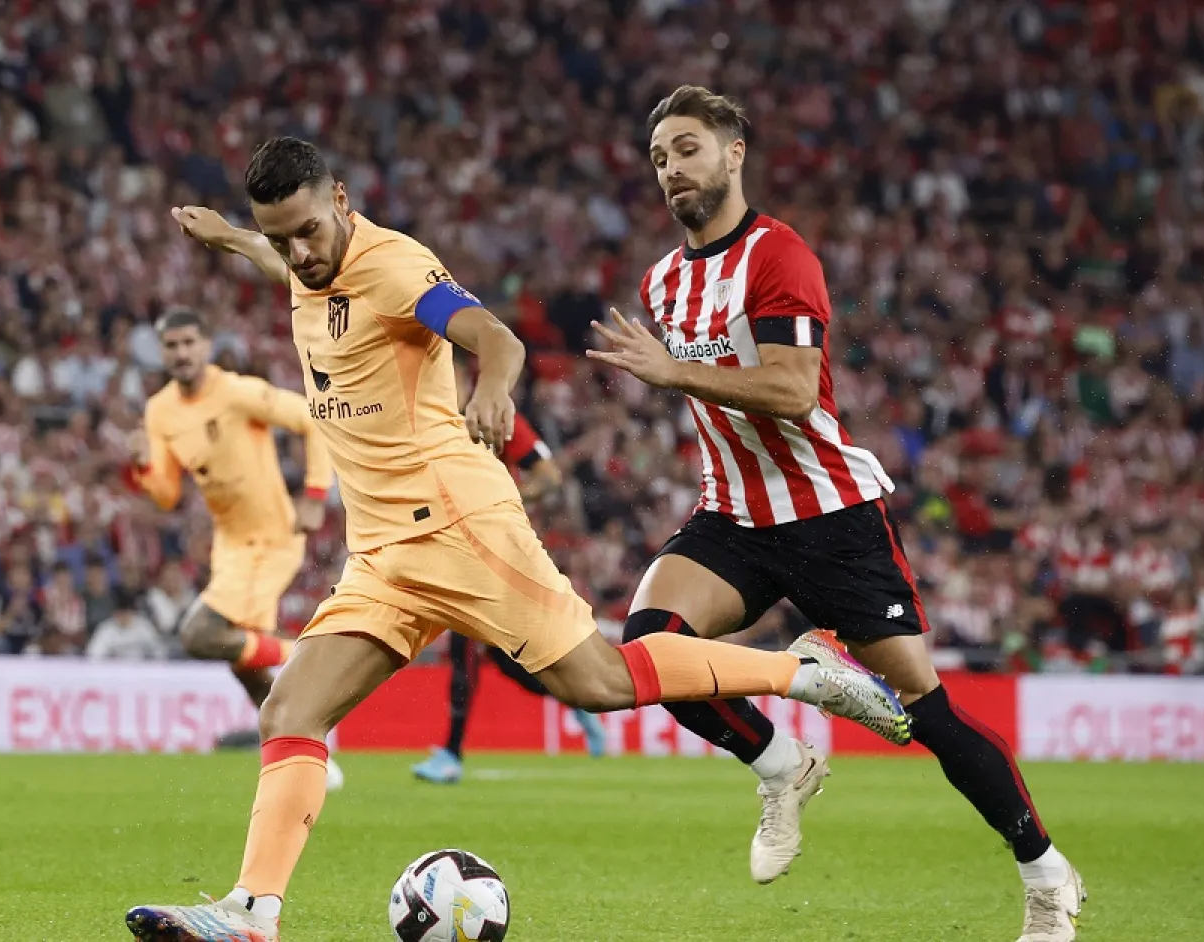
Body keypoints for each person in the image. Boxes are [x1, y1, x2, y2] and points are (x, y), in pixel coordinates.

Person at [124, 136, 907, 942]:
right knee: (290, 707)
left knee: (599, 682)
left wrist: (494, 387)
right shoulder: (300, 259)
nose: (298, 252)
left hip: (457, 524)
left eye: (308, 232)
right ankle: (252, 916)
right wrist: (231, 236)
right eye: (280, 236)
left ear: (343, 202)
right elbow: (280, 260)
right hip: (383, 554)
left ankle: (800, 672)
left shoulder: (396, 268)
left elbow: (496, 337)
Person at [586, 85, 1083, 942]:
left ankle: (1044, 871)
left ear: (734, 152)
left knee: (924, 709)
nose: (672, 170)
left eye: (689, 149)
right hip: (733, 518)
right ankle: (783, 765)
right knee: (649, 649)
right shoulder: (663, 281)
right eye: (661, 157)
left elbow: (786, 389)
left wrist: (673, 373)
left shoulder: (780, 257)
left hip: (828, 517)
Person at [129, 310, 341, 775]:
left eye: (189, 343)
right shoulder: (159, 411)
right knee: (240, 661)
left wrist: (314, 495)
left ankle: (309, 656)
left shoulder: (237, 392)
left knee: (200, 635)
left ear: (206, 345)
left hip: (271, 537)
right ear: (161, 351)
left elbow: (313, 418)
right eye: (172, 346)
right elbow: (166, 495)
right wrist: (144, 469)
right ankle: (306, 753)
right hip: (230, 542)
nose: (181, 354)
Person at [412, 373, 607, 784]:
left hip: (496, 548)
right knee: (504, 659)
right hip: (456, 550)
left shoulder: (498, 417)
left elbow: (549, 476)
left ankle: (450, 754)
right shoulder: (430, 426)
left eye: (451, 379)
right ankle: (571, 697)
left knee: (464, 650)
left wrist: (500, 502)